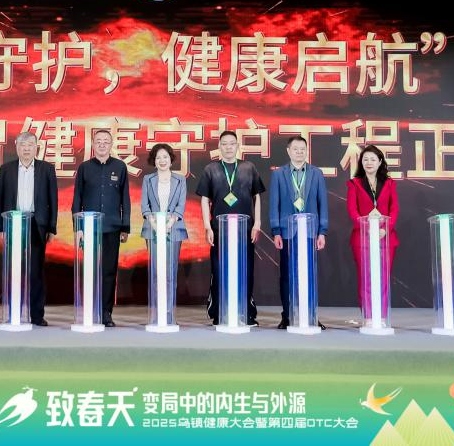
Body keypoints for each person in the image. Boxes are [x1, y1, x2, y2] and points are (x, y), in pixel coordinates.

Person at [195, 130, 265, 326]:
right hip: (219, 230)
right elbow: (204, 199)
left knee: (246, 271)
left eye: (232, 143)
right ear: (219, 146)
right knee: (219, 271)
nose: (228, 147)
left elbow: (257, 196)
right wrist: (207, 226)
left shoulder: (248, 167)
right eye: (224, 144)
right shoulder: (211, 169)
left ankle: (247, 313)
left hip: (245, 230)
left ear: (237, 146)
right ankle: (219, 313)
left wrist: (257, 223)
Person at [0, 132, 58, 326]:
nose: (27, 148)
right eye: (23, 145)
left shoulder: (46, 169)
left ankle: (37, 315)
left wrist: (52, 228)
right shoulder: (7, 169)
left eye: (30, 144)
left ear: (36, 147)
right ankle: (13, 312)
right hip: (13, 223)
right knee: (14, 270)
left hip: (37, 224)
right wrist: (0, 227)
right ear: (16, 147)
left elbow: (53, 199)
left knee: (36, 272)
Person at [71, 128, 131, 327]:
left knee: (108, 271)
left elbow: (125, 199)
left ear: (111, 144)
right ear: (93, 144)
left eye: (106, 141)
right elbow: (77, 198)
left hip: (112, 227)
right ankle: (90, 309)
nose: (102, 144)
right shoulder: (85, 168)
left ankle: (106, 312)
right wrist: (78, 228)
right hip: (89, 228)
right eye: (99, 141)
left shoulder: (120, 167)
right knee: (90, 270)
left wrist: (125, 227)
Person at [268, 135, 329, 330]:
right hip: (287, 232)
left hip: (310, 232)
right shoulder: (279, 174)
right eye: (296, 149)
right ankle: (287, 316)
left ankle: (311, 315)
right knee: (287, 275)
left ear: (307, 150)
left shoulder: (316, 173)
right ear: (289, 151)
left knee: (308, 274)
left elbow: (322, 203)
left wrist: (322, 231)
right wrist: (276, 231)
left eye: (303, 149)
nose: (300, 152)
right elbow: (274, 204)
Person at [347, 144, 399, 324]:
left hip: (386, 237)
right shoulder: (354, 183)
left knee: (383, 278)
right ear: (361, 162)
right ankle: (368, 316)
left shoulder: (390, 183)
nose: (369, 162)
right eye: (365, 159)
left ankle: (382, 316)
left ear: (380, 162)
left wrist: (385, 229)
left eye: (373, 159)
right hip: (363, 238)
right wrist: (367, 229)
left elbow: (394, 209)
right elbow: (352, 210)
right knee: (366, 278)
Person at [140, 143, 188, 244]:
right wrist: (155, 226)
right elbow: (145, 205)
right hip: (152, 228)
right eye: (158, 158)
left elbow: (181, 205)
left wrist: (168, 225)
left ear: (171, 159)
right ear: (154, 161)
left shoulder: (181, 180)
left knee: (172, 255)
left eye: (165, 157)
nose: (162, 160)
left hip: (174, 228)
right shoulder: (147, 179)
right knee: (154, 255)